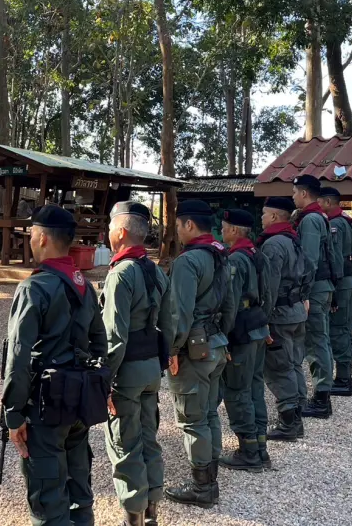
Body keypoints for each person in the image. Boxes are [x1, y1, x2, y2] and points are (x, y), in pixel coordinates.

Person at [1, 205, 109, 526]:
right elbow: (100, 343)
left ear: (43, 238)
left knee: (48, 499)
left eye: (32, 234)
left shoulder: (34, 287)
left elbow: (18, 357)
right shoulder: (84, 286)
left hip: (45, 406)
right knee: (79, 490)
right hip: (79, 401)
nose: (30, 240)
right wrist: (98, 387)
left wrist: (14, 414)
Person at [100, 202, 174, 526]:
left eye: (110, 227)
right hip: (150, 370)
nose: (107, 233)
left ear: (121, 232)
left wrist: (104, 380)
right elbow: (168, 324)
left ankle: (134, 517)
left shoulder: (120, 274)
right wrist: (162, 362)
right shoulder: (156, 271)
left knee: (125, 445)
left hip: (126, 374)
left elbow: (114, 337)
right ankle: (152, 511)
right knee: (148, 440)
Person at [164, 200, 236, 509]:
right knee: (209, 413)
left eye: (178, 225)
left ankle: (202, 488)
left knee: (192, 419)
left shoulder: (188, 261)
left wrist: (172, 349)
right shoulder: (221, 255)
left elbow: (179, 312)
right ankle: (210, 477)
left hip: (193, 349)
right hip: (216, 343)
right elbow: (231, 304)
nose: (177, 231)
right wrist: (223, 338)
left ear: (189, 224)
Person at [217, 208, 270, 472]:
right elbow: (269, 292)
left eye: (224, 227)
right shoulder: (257, 253)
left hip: (242, 329)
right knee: (255, 388)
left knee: (237, 390)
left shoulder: (236, 258)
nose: (221, 231)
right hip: (258, 325)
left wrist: (224, 337)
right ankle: (260, 447)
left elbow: (231, 303)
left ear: (235, 230)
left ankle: (248, 451)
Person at [258, 197, 309, 442]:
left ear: (274, 216)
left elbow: (269, 286)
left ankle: (289, 422)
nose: (261, 218)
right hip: (296, 310)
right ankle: (296, 415)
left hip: (279, 314)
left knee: (279, 368)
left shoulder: (273, 244)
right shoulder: (293, 239)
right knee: (294, 364)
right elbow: (309, 270)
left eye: (264, 214)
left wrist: (263, 318)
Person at [292, 174, 340, 419]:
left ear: (303, 193)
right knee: (321, 340)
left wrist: (303, 292)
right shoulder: (318, 216)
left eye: (294, 192)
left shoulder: (311, 219)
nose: (293, 197)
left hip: (315, 289)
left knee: (315, 342)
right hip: (322, 286)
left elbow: (309, 261)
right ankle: (322, 396)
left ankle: (321, 399)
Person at [318, 187, 352, 397]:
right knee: (344, 328)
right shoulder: (344, 221)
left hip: (340, 283)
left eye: (319, 201)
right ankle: (345, 374)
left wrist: (332, 288)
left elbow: (335, 259)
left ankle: (343, 378)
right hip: (345, 281)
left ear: (328, 202)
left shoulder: (336, 224)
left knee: (338, 328)